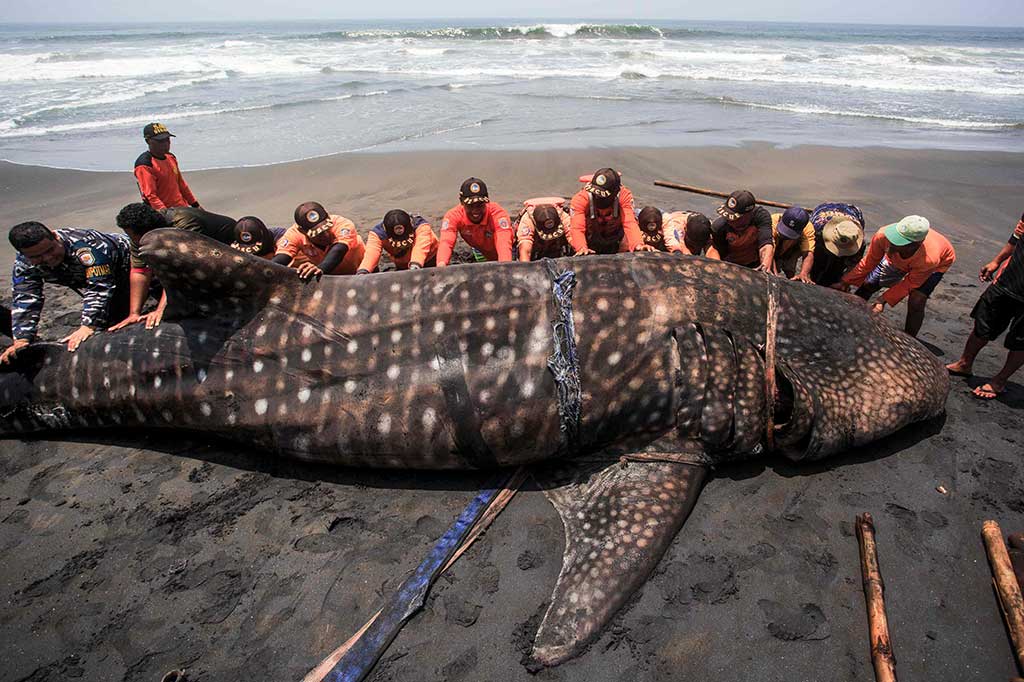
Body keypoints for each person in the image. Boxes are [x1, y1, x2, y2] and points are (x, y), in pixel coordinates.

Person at [1, 221, 131, 364]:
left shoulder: (88, 246)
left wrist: (88, 326)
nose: (47, 258)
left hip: (132, 264)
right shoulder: (24, 263)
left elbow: (99, 287)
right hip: (84, 278)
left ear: (55, 237)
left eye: (50, 250)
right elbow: (25, 298)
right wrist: (22, 339)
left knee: (114, 323)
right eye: (37, 257)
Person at [112, 202, 236, 330]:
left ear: (147, 232)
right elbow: (140, 271)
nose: (131, 239)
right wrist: (134, 313)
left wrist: (162, 309)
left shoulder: (183, 224)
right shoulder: (138, 236)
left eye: (132, 236)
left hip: (229, 249)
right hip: (195, 258)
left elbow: (182, 270)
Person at [834, 215, 955, 337]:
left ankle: (910, 339)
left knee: (916, 300)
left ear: (915, 245)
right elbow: (869, 262)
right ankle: (851, 318)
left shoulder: (929, 259)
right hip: (898, 258)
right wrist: (846, 281)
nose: (892, 242)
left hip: (938, 263)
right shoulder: (883, 235)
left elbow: (910, 283)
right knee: (869, 283)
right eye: (894, 237)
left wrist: (883, 300)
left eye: (898, 241)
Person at [946, 212, 1024, 399]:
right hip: (1008, 280)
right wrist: (997, 261)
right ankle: (965, 364)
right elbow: (1017, 237)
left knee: (1021, 341)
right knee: (983, 324)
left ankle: (1000, 380)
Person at [273, 201, 365, 280]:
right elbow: (282, 257)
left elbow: (339, 250)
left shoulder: (342, 224)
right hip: (332, 277)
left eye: (326, 229)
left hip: (363, 270)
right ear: (302, 231)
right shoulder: (293, 234)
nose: (325, 235)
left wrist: (320, 268)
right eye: (318, 233)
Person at [568, 168, 652, 255]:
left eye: (603, 195)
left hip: (615, 237)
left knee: (629, 244)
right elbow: (577, 228)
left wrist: (638, 245)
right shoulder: (580, 199)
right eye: (596, 194)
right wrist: (581, 248)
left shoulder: (624, 196)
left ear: (616, 192)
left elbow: (629, 222)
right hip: (590, 239)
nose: (598, 198)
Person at [436, 178, 514, 267]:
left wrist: (504, 267)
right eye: (470, 206)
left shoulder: (498, 215)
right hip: (480, 249)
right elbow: (446, 242)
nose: (475, 210)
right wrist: (441, 265)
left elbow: (504, 244)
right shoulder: (453, 216)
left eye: (480, 205)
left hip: (510, 251)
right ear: (461, 202)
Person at [134, 123, 201, 211]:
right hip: (164, 212)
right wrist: (167, 214)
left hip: (182, 208)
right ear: (148, 141)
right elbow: (150, 195)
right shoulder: (145, 164)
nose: (165, 144)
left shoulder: (171, 157)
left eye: (167, 140)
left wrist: (195, 204)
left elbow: (181, 184)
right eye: (160, 141)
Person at [706, 190, 774, 270]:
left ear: (749, 214)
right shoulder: (719, 227)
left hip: (755, 263)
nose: (731, 222)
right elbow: (716, 250)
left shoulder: (761, 217)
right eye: (728, 218)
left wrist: (764, 266)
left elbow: (766, 243)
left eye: (736, 219)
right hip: (731, 264)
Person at [357, 209, 438, 273]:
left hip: (430, 258)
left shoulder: (421, 226)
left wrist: (415, 265)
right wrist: (363, 271)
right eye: (396, 229)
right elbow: (371, 253)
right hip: (402, 264)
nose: (399, 231)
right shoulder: (378, 234)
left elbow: (421, 247)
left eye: (401, 228)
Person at [807, 202, 866, 286]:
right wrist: (806, 273)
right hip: (824, 210)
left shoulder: (857, 238)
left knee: (837, 269)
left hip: (852, 212)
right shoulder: (817, 229)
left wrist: (844, 282)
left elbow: (854, 263)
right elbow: (808, 251)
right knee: (818, 260)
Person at [771, 206, 816, 282]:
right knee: (771, 270)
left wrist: (804, 274)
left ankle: (791, 274)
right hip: (773, 246)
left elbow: (808, 253)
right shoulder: (772, 221)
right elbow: (768, 250)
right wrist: (775, 275)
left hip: (792, 247)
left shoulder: (808, 228)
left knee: (790, 270)